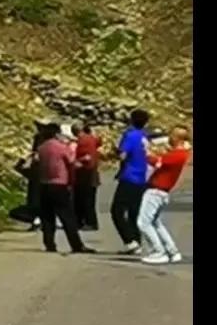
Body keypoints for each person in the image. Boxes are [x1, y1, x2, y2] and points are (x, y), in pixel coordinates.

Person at [32, 123, 92, 254]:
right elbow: (72, 162)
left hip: (44, 184)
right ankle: (76, 245)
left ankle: (50, 244)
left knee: (47, 217)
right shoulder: (61, 147)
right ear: (56, 133)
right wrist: (83, 161)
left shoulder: (42, 148)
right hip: (59, 184)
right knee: (67, 217)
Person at [137, 126, 190, 264]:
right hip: (161, 191)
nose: (169, 138)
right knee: (155, 222)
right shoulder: (179, 153)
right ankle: (172, 250)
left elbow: (157, 162)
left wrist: (146, 152)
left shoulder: (178, 154)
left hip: (156, 190)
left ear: (177, 138)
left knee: (143, 222)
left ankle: (158, 251)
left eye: (172, 135)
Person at [109, 108, 152, 251]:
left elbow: (123, 156)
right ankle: (136, 241)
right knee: (134, 212)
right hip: (142, 176)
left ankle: (129, 240)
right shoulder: (144, 137)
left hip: (129, 176)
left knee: (117, 210)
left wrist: (114, 152)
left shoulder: (130, 135)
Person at [71, 122, 103, 231]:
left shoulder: (82, 141)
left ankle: (87, 222)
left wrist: (77, 161)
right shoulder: (92, 139)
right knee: (88, 199)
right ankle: (86, 221)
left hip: (85, 173)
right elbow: (99, 142)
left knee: (83, 199)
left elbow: (85, 158)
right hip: (91, 173)